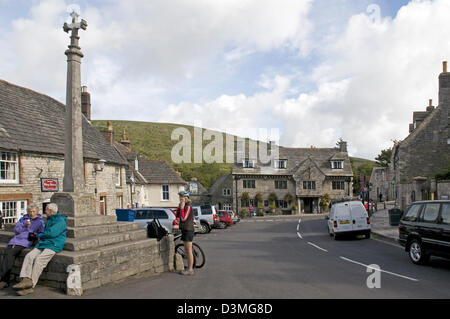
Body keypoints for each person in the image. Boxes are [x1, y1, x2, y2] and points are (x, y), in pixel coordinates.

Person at [12, 203, 67, 296]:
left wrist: (38, 235)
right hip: (45, 243)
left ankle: (30, 285)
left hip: (55, 244)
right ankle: (25, 279)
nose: (45, 211)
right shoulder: (50, 219)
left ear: (51, 211)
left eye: (46, 210)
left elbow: (51, 234)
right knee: (29, 256)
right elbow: (47, 233)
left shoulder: (60, 220)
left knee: (39, 260)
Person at [0, 204, 44, 290]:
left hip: (25, 241)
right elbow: (16, 230)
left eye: (33, 211)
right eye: (30, 211)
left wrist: (35, 234)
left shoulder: (40, 221)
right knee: (7, 254)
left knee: (9, 254)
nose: (31, 213)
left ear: (37, 212)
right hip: (15, 240)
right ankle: (4, 280)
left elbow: (42, 232)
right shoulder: (23, 219)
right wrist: (24, 225)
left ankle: (4, 280)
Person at [176, 190, 195, 276]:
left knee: (188, 251)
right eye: (179, 197)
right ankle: (190, 268)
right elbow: (177, 216)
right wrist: (179, 207)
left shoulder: (188, 206)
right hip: (184, 229)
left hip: (188, 230)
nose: (180, 198)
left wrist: (182, 208)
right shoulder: (182, 205)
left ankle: (190, 269)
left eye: (182, 197)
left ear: (186, 198)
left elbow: (183, 218)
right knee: (187, 249)